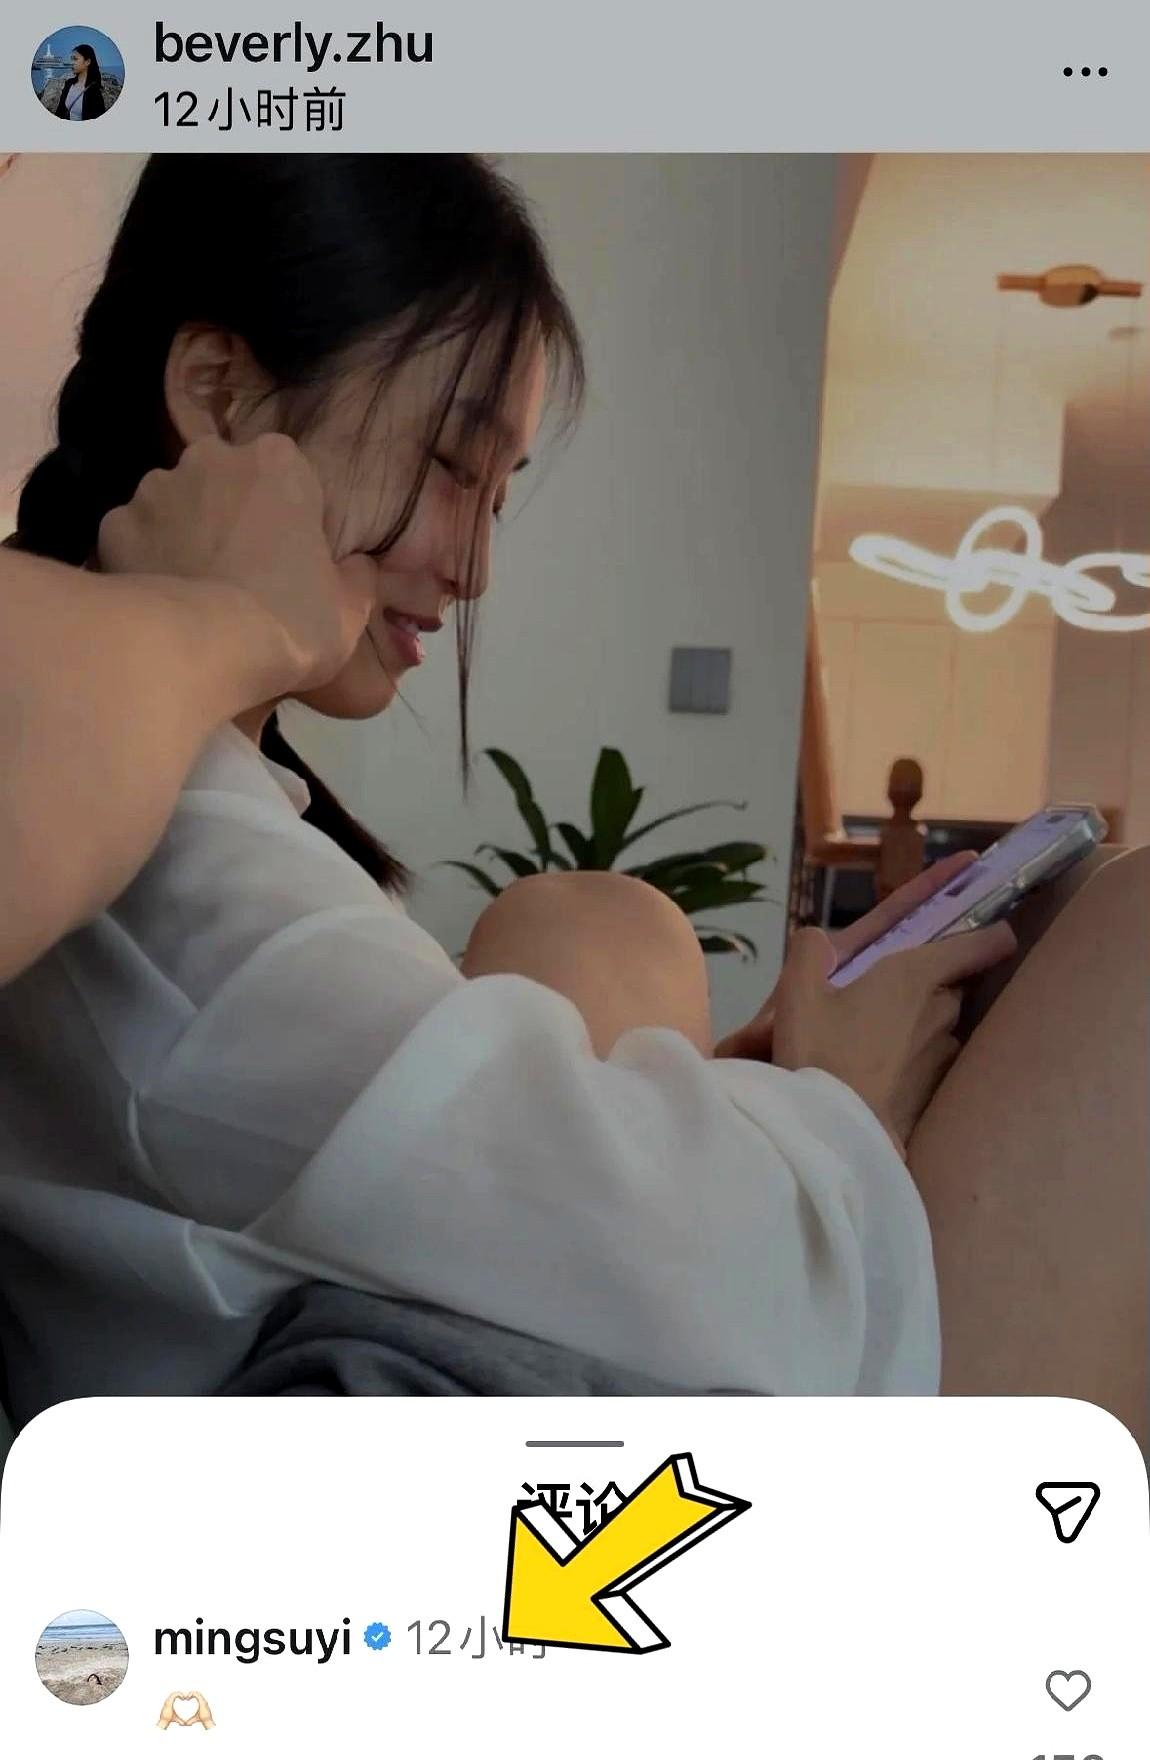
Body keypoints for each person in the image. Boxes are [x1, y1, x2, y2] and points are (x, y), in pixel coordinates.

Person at [0, 156, 1144, 1447]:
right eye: (449, 465)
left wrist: (745, 1096)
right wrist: (847, 1093)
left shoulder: (191, 832)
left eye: (497, 496)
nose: (476, 563)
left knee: (592, 928)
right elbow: (738, 1295)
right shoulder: (171, 865)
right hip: (533, 1526)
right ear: (217, 392)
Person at [53, 45, 106, 121]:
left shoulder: (94, 91)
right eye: (71, 59)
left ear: (87, 62)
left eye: (75, 59)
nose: (71, 63)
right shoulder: (68, 84)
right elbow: (60, 112)